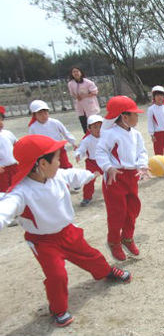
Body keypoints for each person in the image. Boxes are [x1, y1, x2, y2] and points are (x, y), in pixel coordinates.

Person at [0, 134, 132, 328]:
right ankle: (58, 309)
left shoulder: (59, 176)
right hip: (42, 242)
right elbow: (6, 209)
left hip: (68, 233)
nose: (61, 161)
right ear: (42, 164)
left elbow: (77, 175)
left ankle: (106, 271)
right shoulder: (21, 192)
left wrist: (95, 173)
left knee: (92, 257)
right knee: (57, 275)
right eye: (56, 158)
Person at [96, 96, 149, 261]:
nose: (137, 117)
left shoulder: (136, 134)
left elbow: (142, 151)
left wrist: (142, 165)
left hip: (131, 176)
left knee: (133, 208)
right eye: (135, 114)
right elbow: (101, 152)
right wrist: (108, 167)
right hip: (115, 177)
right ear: (124, 117)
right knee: (117, 212)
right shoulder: (110, 134)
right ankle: (113, 241)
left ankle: (127, 237)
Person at [28, 100, 76, 169]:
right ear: (34, 115)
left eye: (45, 113)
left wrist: (73, 142)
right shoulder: (33, 127)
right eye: (40, 114)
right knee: (50, 169)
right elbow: (32, 141)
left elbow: (65, 132)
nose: (43, 116)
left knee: (65, 166)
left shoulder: (55, 122)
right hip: (45, 152)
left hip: (59, 149)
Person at [74, 115, 104, 207]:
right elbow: (81, 149)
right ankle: (87, 197)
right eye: (95, 127)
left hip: (105, 161)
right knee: (89, 180)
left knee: (110, 178)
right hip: (92, 163)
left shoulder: (106, 137)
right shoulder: (87, 140)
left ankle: (111, 194)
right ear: (89, 128)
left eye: (100, 126)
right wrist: (78, 155)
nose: (98, 129)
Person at [67, 67, 101, 133]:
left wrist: (84, 96)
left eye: (77, 71)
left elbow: (94, 92)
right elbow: (72, 93)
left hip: (90, 105)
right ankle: (86, 136)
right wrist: (76, 96)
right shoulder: (71, 84)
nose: (75, 73)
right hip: (80, 106)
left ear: (81, 72)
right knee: (84, 123)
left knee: (93, 122)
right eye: (74, 72)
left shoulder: (88, 82)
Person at [0, 105, 17, 192]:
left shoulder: (8, 133)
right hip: (2, 171)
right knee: (5, 193)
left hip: (14, 167)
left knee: (19, 189)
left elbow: (18, 146)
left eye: (1, 119)